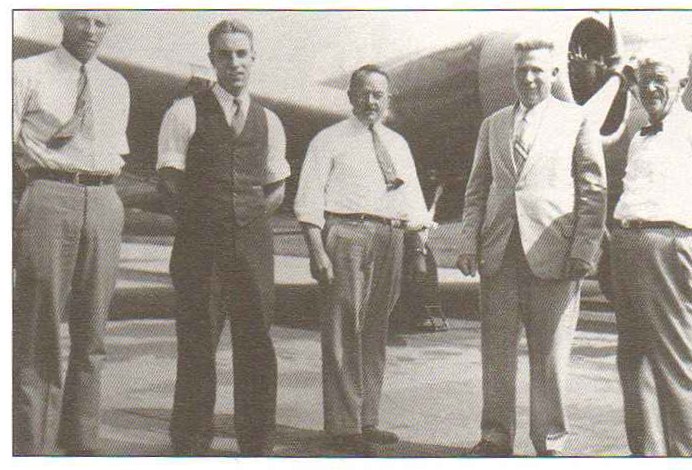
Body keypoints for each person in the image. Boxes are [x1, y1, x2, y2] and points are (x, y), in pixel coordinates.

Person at [457, 35, 607, 456]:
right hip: (500, 253)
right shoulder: (494, 124)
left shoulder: (576, 120)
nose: (529, 77)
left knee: (551, 357)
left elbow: (593, 190)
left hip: (554, 254)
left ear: (554, 74)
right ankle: (495, 436)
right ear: (513, 75)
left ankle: (551, 441)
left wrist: (584, 248)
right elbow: (477, 190)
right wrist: (469, 241)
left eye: (538, 70)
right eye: (522, 70)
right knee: (496, 351)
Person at [156, 19, 290, 456]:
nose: (234, 63)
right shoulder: (185, 111)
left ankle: (257, 441)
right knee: (197, 343)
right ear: (211, 59)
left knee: (257, 344)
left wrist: (247, 220)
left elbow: (277, 186)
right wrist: (206, 222)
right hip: (200, 248)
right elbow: (170, 179)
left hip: (253, 248)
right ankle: (192, 441)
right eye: (225, 54)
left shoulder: (270, 119)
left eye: (242, 54)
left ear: (253, 59)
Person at [610, 44, 692, 457]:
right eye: (643, 80)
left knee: (675, 364)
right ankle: (647, 455)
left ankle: (688, 457)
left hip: (673, 247)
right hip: (628, 247)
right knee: (632, 361)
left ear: (682, 84)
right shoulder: (638, 137)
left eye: (660, 80)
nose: (649, 88)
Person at [294, 64, 431, 456]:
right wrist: (317, 250)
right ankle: (342, 425)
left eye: (379, 95)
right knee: (342, 328)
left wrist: (418, 248)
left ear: (388, 100)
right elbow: (309, 200)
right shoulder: (328, 140)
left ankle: (367, 419)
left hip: (390, 237)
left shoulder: (398, 144)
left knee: (375, 330)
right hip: (346, 233)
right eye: (364, 93)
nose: (371, 101)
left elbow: (413, 199)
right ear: (351, 96)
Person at [12, 11, 130, 455]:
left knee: (93, 330)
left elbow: (113, 149)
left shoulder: (116, 84)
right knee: (38, 325)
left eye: (101, 22)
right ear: (63, 19)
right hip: (48, 192)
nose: (91, 30)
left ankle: (82, 442)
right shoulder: (26, 71)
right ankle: (31, 445)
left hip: (103, 198)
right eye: (82, 19)